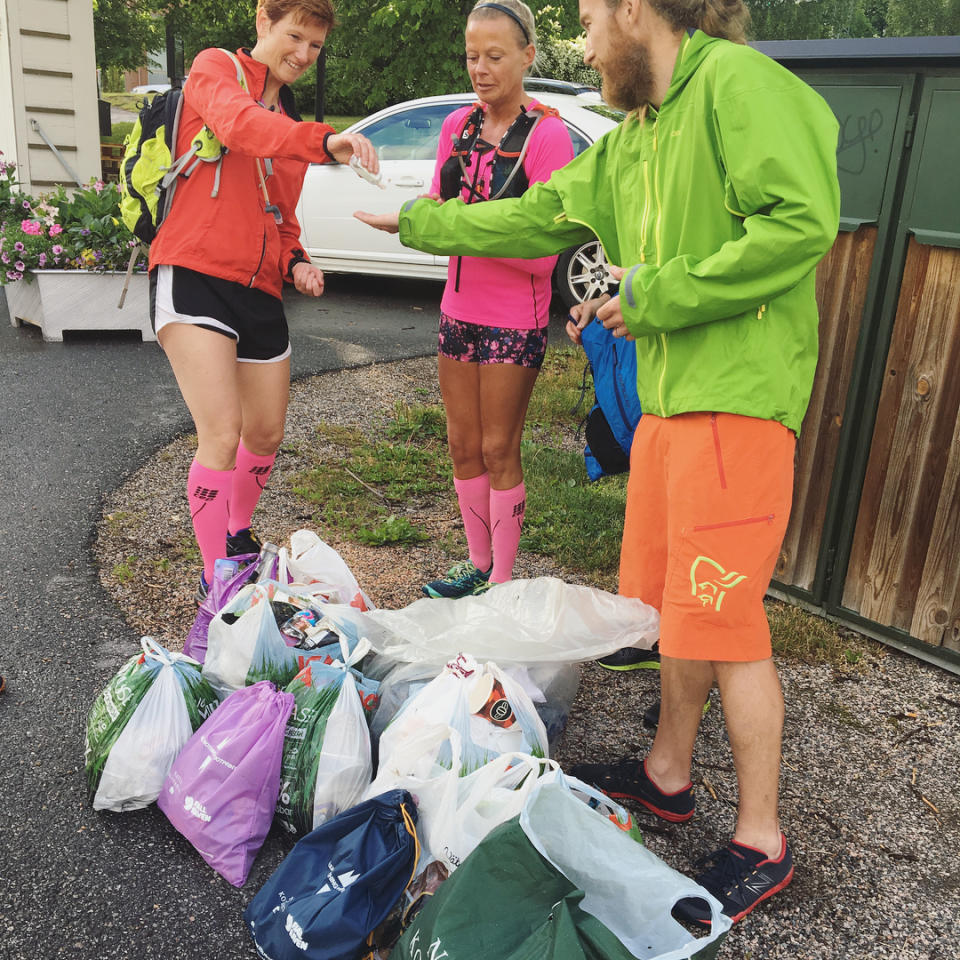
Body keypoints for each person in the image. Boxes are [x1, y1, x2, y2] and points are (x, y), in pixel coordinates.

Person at [357, 0, 840, 924]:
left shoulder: (741, 87)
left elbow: (800, 223)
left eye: (585, 18)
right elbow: (540, 216)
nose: (582, 41)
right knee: (674, 611)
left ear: (632, 9)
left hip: (736, 404)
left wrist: (653, 293)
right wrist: (422, 224)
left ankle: (763, 840)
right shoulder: (637, 131)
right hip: (668, 406)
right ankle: (667, 773)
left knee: (726, 620)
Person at [149, 0, 378, 601]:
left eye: (316, 47)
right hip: (194, 267)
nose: (302, 55)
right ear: (263, 23)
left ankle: (236, 532)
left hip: (257, 286)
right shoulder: (215, 68)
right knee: (222, 432)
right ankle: (213, 580)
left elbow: (279, 214)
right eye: (294, 37)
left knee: (266, 433)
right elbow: (237, 126)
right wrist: (325, 142)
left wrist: (297, 260)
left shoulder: (290, 113)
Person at [359, 0, 574, 599]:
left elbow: (540, 254)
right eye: (472, 56)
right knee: (461, 444)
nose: (480, 69)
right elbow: (433, 208)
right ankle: (478, 566)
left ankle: (502, 583)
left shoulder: (549, 135)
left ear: (528, 56)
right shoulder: (458, 127)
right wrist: (435, 221)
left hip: (515, 316)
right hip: (459, 311)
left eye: (495, 56)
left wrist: (459, 225)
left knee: (498, 447)